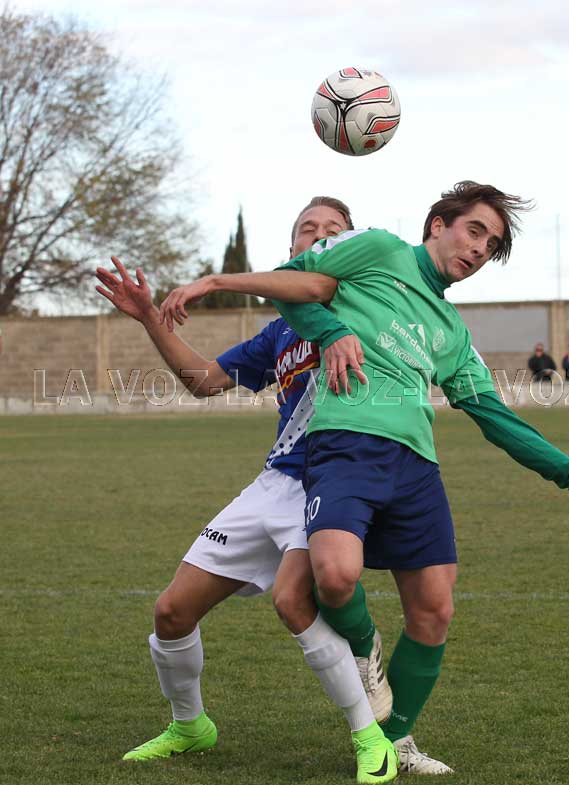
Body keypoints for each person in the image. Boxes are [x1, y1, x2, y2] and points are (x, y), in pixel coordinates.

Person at [160, 181, 569, 773]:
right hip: (344, 444)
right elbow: (297, 284)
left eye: (490, 246)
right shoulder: (379, 250)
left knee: (435, 610)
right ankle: (364, 649)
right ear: (438, 225)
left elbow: (494, 416)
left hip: (416, 466)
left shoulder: (452, 332)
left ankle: (396, 741)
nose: (478, 249)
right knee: (333, 576)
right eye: (474, 231)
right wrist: (236, 291)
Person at [96, 197, 405, 785]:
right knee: (171, 612)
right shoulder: (281, 331)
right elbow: (205, 381)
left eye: (334, 231)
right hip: (272, 484)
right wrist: (150, 318)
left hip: (333, 482)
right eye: (307, 229)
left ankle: (371, 739)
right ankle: (190, 726)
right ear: (290, 250)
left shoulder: (370, 306)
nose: (319, 236)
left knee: (292, 601)